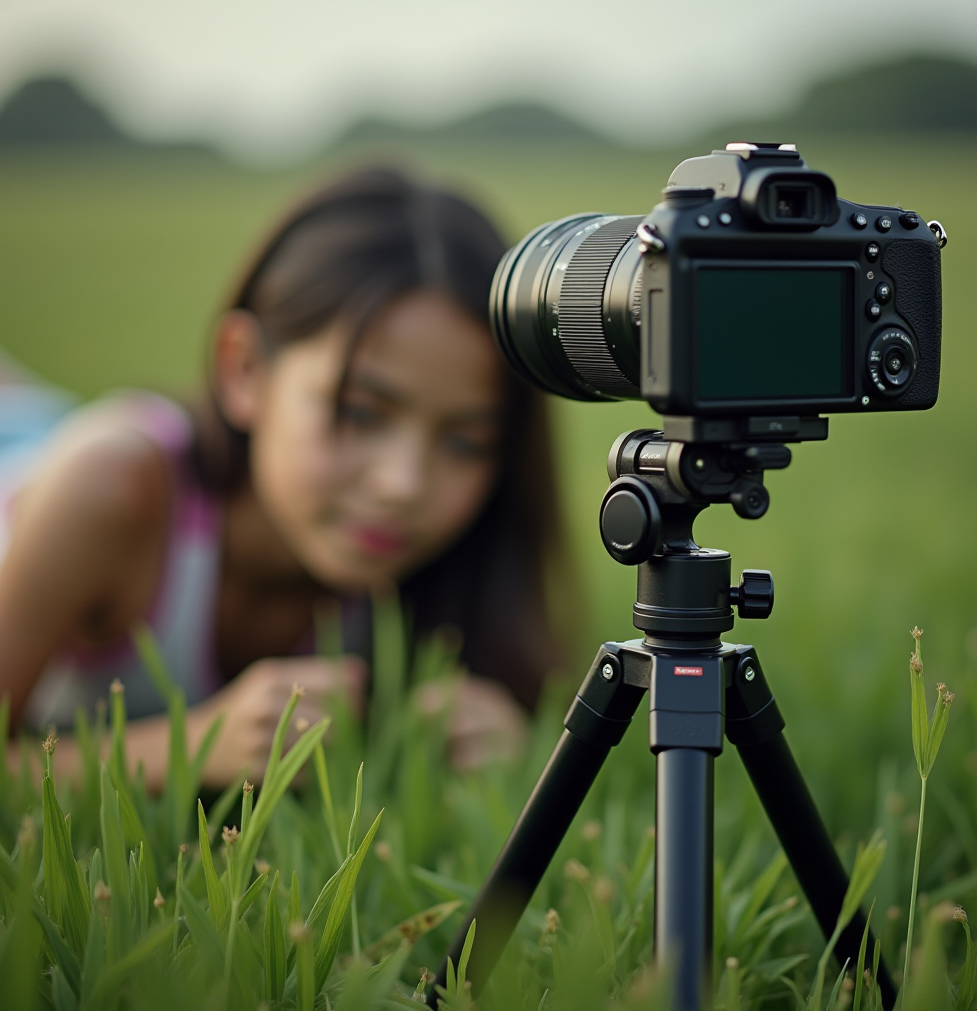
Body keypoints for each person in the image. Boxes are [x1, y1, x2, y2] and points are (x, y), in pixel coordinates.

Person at [0, 167, 564, 786]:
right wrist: (190, 748)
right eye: (359, 413)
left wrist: (510, 746)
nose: (403, 483)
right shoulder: (107, 492)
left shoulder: (440, 570)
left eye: (467, 441)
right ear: (244, 370)